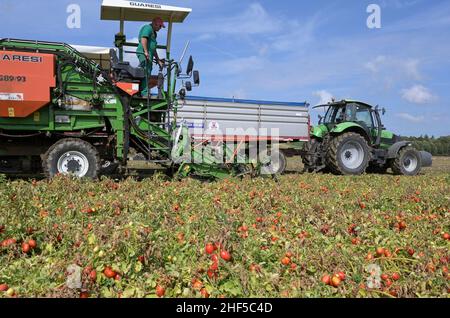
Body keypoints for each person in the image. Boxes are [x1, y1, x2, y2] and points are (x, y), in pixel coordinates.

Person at [136, 17, 166, 97]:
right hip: (143, 52)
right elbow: (143, 39)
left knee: (148, 72)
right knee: (146, 71)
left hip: (149, 54)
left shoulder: (154, 33)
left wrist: (158, 59)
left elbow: (153, 48)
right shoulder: (148, 28)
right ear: (155, 23)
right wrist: (145, 52)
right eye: (160, 26)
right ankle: (144, 93)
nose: (160, 28)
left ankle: (144, 91)